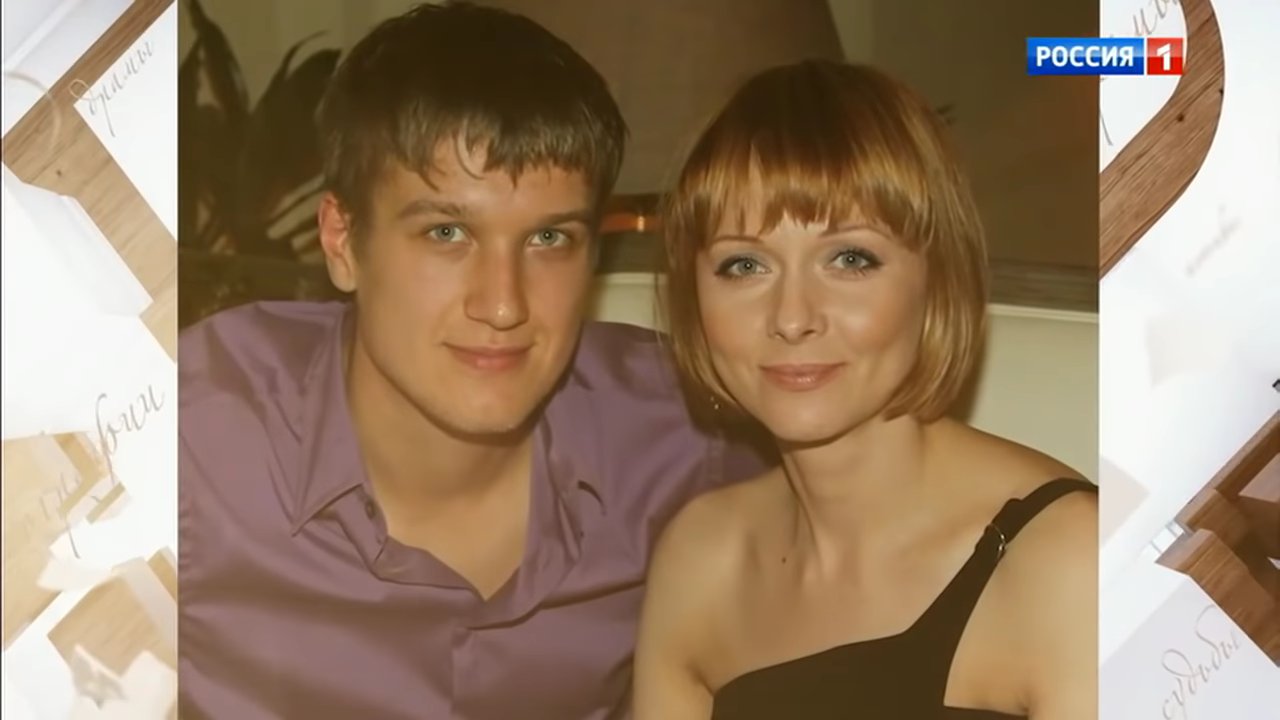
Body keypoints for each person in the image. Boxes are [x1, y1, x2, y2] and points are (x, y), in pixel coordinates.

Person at [177, 4, 771, 718]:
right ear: (342, 241)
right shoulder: (190, 438)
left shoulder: (684, 435)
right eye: (447, 233)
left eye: (549, 240)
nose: (503, 304)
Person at [633, 60, 1098, 720]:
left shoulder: (1069, 562)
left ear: (937, 280)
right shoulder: (701, 560)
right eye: (744, 265)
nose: (792, 317)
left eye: (850, 259)